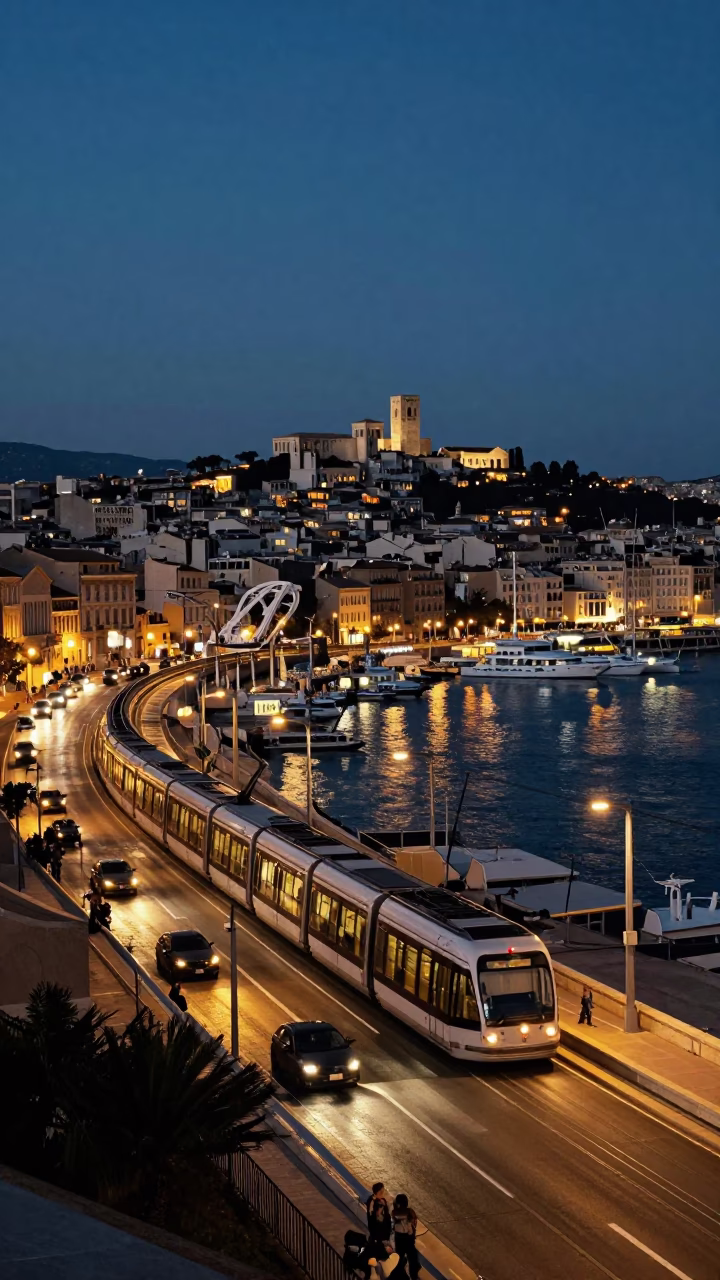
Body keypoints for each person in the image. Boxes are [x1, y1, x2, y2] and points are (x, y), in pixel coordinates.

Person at [391, 1194, 419, 1279]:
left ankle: (398, 1275)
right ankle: (413, 1276)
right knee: (413, 1260)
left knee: (398, 1260)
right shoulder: (410, 1212)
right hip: (409, 1239)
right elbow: (414, 1223)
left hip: (399, 1239)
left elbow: (393, 1225)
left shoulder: (394, 1213)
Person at [367, 1183, 392, 1250]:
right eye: (382, 1191)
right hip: (376, 1230)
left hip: (384, 1229)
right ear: (378, 1192)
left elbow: (387, 1213)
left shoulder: (382, 1200)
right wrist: (381, 1209)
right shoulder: (372, 1201)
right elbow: (372, 1216)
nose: (383, 1193)